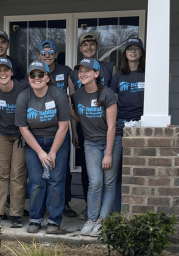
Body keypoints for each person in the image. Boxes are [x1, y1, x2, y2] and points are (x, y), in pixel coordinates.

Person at [16, 60, 71, 234]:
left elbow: (64, 126)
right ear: (29, 78)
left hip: (57, 140)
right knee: (36, 181)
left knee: (55, 180)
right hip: (33, 141)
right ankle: (35, 219)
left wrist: (53, 152)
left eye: (41, 74)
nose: (36, 77)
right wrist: (40, 152)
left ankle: (54, 221)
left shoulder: (58, 94)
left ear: (48, 77)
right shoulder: (24, 96)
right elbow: (23, 129)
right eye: (33, 74)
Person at [68, 32, 117, 220]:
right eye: (84, 44)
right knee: (90, 174)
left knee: (109, 178)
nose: (88, 47)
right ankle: (91, 209)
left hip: (107, 126)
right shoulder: (74, 74)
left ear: (97, 47)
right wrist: (74, 131)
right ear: (80, 48)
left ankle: (106, 213)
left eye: (91, 44)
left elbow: (113, 96)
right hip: (86, 128)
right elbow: (75, 104)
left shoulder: (109, 68)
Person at [37, 40, 78, 218]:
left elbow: (73, 99)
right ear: (39, 55)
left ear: (55, 54)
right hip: (41, 127)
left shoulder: (65, 71)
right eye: (43, 52)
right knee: (41, 171)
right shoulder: (35, 72)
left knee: (62, 170)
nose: (47, 55)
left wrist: (74, 131)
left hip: (62, 127)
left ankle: (64, 202)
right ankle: (43, 205)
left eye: (50, 52)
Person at [0, 58, 31, 229]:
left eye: (6, 70)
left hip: (21, 134)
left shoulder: (23, 87)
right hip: (2, 133)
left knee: (17, 175)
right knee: (1, 174)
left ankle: (16, 214)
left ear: (12, 72)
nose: (3, 73)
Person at [109, 37, 146, 213]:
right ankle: (116, 214)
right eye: (129, 49)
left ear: (141, 52)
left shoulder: (148, 74)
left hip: (141, 125)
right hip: (120, 126)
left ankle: (136, 212)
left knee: (139, 170)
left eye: (136, 48)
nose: (133, 51)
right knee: (116, 172)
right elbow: (112, 104)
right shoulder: (117, 77)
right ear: (125, 53)